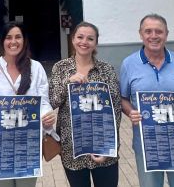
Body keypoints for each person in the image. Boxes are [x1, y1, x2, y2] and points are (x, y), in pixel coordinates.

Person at [120, 14, 174, 187]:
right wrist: (130, 112)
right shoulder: (128, 64)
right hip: (146, 143)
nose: (153, 36)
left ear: (166, 34)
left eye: (159, 31)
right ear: (140, 34)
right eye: (148, 31)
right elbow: (123, 98)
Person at [0, 22, 55, 187]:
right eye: (8, 37)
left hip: (29, 144)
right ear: (2, 41)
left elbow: (43, 100)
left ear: (24, 40)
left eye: (18, 37)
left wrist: (47, 115)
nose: (13, 41)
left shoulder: (36, 68)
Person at [49, 22, 121, 187]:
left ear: (95, 43)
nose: (84, 42)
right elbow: (52, 102)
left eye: (90, 38)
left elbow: (115, 110)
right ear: (73, 39)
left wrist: (110, 147)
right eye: (80, 37)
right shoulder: (60, 68)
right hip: (72, 146)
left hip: (102, 145)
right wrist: (68, 83)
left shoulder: (106, 70)